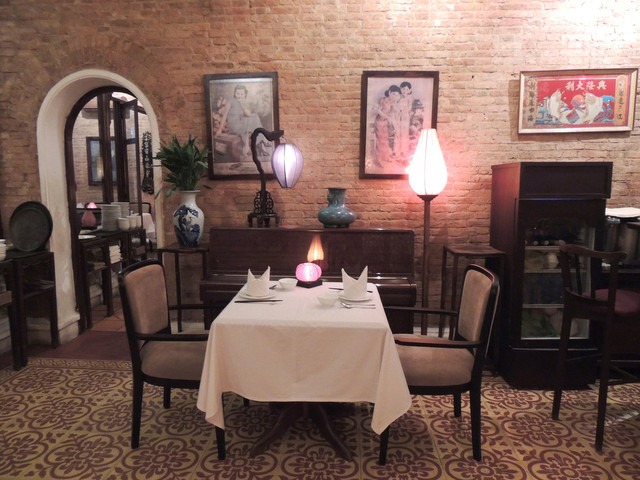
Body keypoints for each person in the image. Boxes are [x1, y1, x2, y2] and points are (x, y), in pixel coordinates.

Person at [225, 84, 263, 158]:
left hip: (241, 123)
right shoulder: (231, 102)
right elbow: (225, 116)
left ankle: (254, 139)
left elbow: (248, 114)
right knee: (248, 119)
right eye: (238, 93)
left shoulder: (244, 102)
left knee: (254, 116)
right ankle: (247, 145)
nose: (239, 96)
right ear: (235, 93)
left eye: (242, 94)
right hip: (233, 125)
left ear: (245, 94)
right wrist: (219, 130)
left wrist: (242, 104)